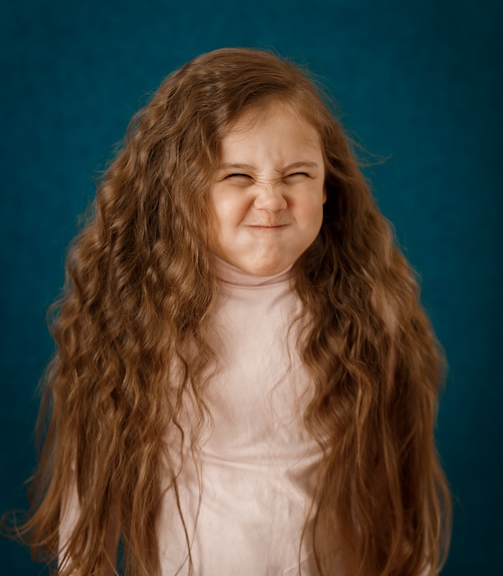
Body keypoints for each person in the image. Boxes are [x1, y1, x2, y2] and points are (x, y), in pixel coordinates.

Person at [5, 48, 451, 575]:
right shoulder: (141, 315)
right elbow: (88, 500)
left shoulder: (367, 311)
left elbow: (399, 486)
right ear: (181, 191)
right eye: (237, 176)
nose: (272, 199)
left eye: (298, 175)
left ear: (328, 189)